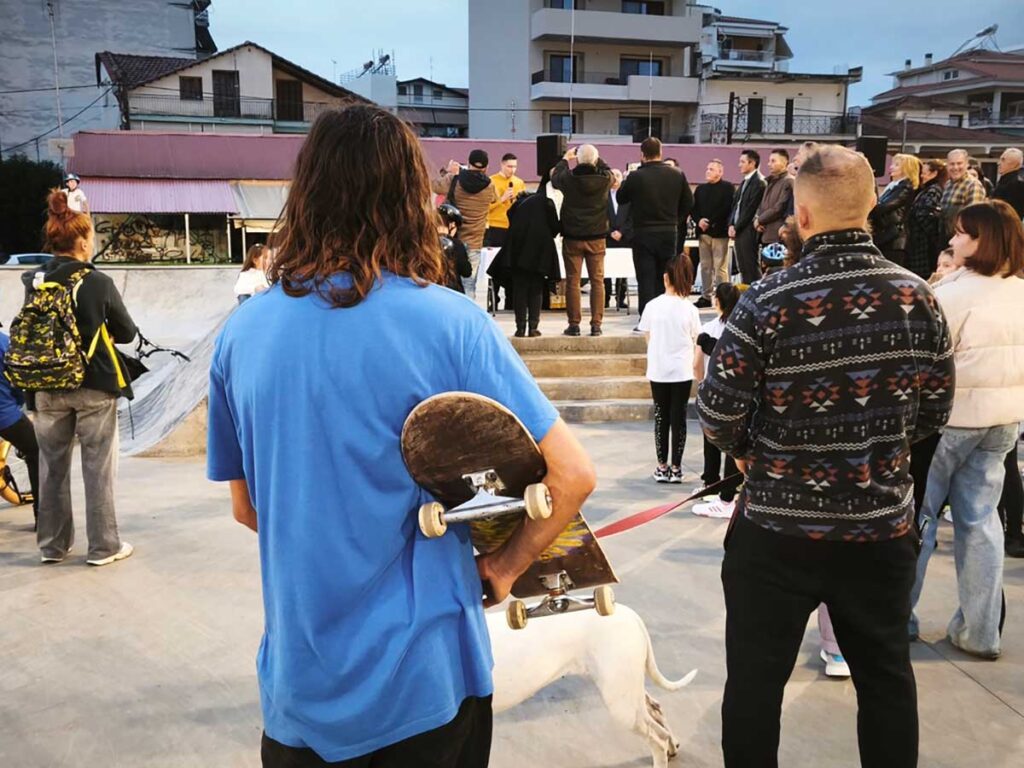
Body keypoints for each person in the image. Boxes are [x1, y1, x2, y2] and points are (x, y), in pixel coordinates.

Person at [206, 105, 597, 766]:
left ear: (306, 196)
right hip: (426, 684)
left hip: (298, 692)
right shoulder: (450, 324)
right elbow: (572, 477)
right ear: (408, 199)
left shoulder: (242, 335)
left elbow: (248, 509)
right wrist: (502, 569)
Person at [699, 145, 954, 768]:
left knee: (756, 686)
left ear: (802, 218)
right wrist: (876, 450)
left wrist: (750, 456)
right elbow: (935, 411)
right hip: (880, 526)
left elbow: (718, 411)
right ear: (871, 207)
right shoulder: (918, 297)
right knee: (886, 679)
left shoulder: (766, 300)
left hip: (776, 531)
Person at [909, 199, 1024, 660]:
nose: (952, 240)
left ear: (983, 241)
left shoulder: (950, 297)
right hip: (1002, 422)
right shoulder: (1019, 292)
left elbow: (923, 366)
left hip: (946, 424)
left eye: (961, 233)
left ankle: (900, 620)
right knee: (981, 521)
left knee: (920, 519)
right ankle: (981, 632)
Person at [30, 189, 138, 566]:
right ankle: (104, 547)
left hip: (46, 385)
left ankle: (53, 547)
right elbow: (126, 333)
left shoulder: (35, 281)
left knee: (51, 467)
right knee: (98, 468)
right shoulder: (97, 282)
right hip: (93, 384)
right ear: (82, 239)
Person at [638, 256, 700, 484]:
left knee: (660, 417)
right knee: (679, 417)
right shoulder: (690, 309)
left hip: (659, 369)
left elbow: (647, 336)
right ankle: (677, 468)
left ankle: (662, 466)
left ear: (666, 278)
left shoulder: (652, 306)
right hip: (682, 370)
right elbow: (695, 338)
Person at [617, 137, 693, 317]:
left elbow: (621, 198)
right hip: (669, 232)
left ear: (642, 155)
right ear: (661, 153)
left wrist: (627, 178)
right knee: (666, 275)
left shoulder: (636, 176)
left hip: (643, 232)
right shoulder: (677, 174)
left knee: (645, 278)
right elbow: (689, 202)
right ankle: (665, 316)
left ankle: (647, 318)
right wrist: (675, 219)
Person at [551, 144, 614, 337]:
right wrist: (596, 158)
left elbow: (554, 178)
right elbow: (608, 170)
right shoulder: (604, 179)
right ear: (596, 160)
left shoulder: (569, 179)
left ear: (577, 160)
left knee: (573, 281)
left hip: (572, 237)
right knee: (597, 281)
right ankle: (596, 324)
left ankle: (574, 324)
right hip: (597, 237)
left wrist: (565, 158)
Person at [691, 281, 741, 517]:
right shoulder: (742, 327)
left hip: (713, 390)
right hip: (740, 393)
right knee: (736, 444)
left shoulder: (708, 330)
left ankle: (715, 484)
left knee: (711, 439)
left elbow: (697, 366)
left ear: (717, 302)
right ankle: (732, 488)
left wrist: (701, 382)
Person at [492, 171, 559, 337]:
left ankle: (520, 327)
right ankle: (533, 326)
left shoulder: (519, 203)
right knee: (536, 289)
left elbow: (509, 216)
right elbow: (555, 228)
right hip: (540, 251)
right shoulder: (547, 203)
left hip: (517, 250)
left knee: (519, 289)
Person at [432, 150, 499, 298]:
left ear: (468, 164)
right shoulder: (490, 186)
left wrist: (449, 172)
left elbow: (435, 187)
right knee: (469, 284)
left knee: (447, 281)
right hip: (475, 240)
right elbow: (495, 199)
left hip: (453, 239)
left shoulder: (454, 179)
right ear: (486, 168)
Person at [0, 330, 39, 526]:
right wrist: (18, 403)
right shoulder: (4, 343)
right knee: (37, 453)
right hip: (5, 416)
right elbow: (18, 382)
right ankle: (44, 518)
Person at [690, 159, 734, 309]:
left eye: (712, 169)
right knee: (705, 266)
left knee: (720, 266)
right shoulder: (701, 189)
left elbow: (727, 208)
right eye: (707, 168)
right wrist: (699, 220)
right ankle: (706, 295)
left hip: (719, 233)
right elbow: (693, 208)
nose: (708, 171)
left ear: (720, 172)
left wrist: (711, 221)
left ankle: (724, 296)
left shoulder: (728, 188)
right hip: (703, 233)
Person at [485, 153, 527, 310]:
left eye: (515, 166)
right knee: (495, 267)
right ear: (502, 165)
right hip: (496, 228)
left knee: (512, 266)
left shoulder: (519, 182)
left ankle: (511, 301)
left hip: (513, 228)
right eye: (509, 166)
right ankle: (493, 300)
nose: (512, 170)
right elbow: (486, 208)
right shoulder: (491, 181)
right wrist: (501, 200)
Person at [869, 153, 920, 265]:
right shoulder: (893, 186)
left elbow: (885, 207)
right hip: (887, 235)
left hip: (895, 238)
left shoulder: (905, 187)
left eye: (896, 165)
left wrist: (868, 207)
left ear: (906, 168)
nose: (891, 167)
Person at [728, 149, 766, 285]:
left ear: (752, 163)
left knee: (750, 264)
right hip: (739, 229)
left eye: (743, 162)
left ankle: (756, 294)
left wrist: (737, 226)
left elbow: (750, 209)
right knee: (742, 266)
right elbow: (736, 205)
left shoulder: (759, 182)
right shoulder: (744, 182)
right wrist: (731, 224)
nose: (739, 165)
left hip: (748, 229)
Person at [906, 159, 948, 279]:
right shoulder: (928, 190)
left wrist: (927, 233)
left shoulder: (933, 190)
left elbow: (925, 213)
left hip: (922, 242)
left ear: (934, 173)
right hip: (921, 240)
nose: (921, 176)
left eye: (924, 172)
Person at [940, 149, 987, 238]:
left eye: (959, 163)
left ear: (967, 165)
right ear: (947, 165)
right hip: (946, 239)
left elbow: (973, 222)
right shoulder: (948, 184)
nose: (955, 167)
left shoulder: (973, 185)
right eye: (952, 164)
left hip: (962, 241)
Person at [754, 148, 793, 255]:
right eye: (769, 161)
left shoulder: (788, 181)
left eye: (773, 161)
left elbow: (779, 207)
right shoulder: (768, 181)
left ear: (784, 163)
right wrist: (757, 219)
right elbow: (761, 204)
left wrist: (760, 220)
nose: (769, 164)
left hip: (778, 235)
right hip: (765, 233)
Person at [604, 168, 631, 311]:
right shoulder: (602, 196)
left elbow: (631, 217)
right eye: (612, 175)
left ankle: (621, 299)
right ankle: (605, 298)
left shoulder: (627, 197)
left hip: (624, 238)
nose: (615, 178)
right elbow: (601, 217)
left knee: (622, 270)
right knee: (605, 270)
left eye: (618, 175)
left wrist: (622, 232)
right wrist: (610, 232)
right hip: (607, 238)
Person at [437, 203, 472, 294]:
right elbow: (466, 271)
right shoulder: (456, 244)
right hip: (452, 291)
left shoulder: (425, 241)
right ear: (452, 224)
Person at [991, 147, 1024, 219]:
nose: (998, 163)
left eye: (1003, 160)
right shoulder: (1004, 181)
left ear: (1015, 164)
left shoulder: (1017, 185)